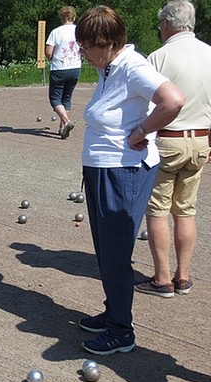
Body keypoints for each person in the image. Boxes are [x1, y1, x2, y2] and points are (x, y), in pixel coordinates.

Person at [74, 6, 184, 355]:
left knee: (117, 252)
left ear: (107, 43)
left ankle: (122, 331)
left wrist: (142, 131)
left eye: (86, 46)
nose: (82, 53)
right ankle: (113, 312)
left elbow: (173, 100)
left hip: (123, 172)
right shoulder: (110, 66)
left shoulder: (133, 66)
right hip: (104, 168)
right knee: (107, 250)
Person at [134, 0, 211, 300]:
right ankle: (184, 277)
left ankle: (162, 278)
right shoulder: (209, 54)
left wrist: (140, 132)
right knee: (186, 210)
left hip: (167, 140)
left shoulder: (158, 58)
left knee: (157, 210)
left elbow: (148, 104)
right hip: (200, 140)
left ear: (166, 23)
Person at [45, 6, 82, 139]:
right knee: (66, 98)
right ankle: (62, 129)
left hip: (59, 68)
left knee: (55, 99)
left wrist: (52, 57)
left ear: (61, 17)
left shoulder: (56, 32)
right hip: (75, 67)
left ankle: (66, 122)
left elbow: (49, 53)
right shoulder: (79, 31)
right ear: (74, 17)